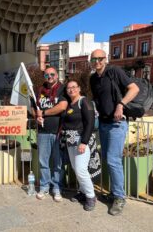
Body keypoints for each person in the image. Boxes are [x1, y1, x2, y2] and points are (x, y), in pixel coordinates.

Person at [89, 49, 139, 215]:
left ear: (106, 59)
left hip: (117, 124)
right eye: (94, 59)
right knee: (107, 158)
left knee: (112, 160)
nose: (97, 61)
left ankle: (119, 197)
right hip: (103, 123)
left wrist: (121, 104)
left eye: (100, 58)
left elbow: (134, 89)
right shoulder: (93, 78)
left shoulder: (115, 71)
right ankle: (113, 193)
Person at [60, 80, 96, 211]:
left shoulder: (84, 101)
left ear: (79, 88)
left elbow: (90, 122)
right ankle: (83, 192)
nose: (71, 90)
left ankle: (91, 196)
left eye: (74, 87)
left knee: (81, 169)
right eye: (69, 88)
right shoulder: (70, 104)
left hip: (81, 141)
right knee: (76, 169)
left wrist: (84, 142)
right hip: (70, 141)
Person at [34, 66, 67, 202]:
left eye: (52, 74)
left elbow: (62, 106)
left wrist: (45, 113)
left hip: (57, 131)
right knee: (43, 162)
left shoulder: (62, 89)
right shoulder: (40, 90)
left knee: (57, 163)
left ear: (57, 75)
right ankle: (44, 186)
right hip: (42, 132)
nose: (50, 77)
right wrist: (36, 115)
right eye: (47, 75)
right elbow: (34, 106)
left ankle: (57, 187)